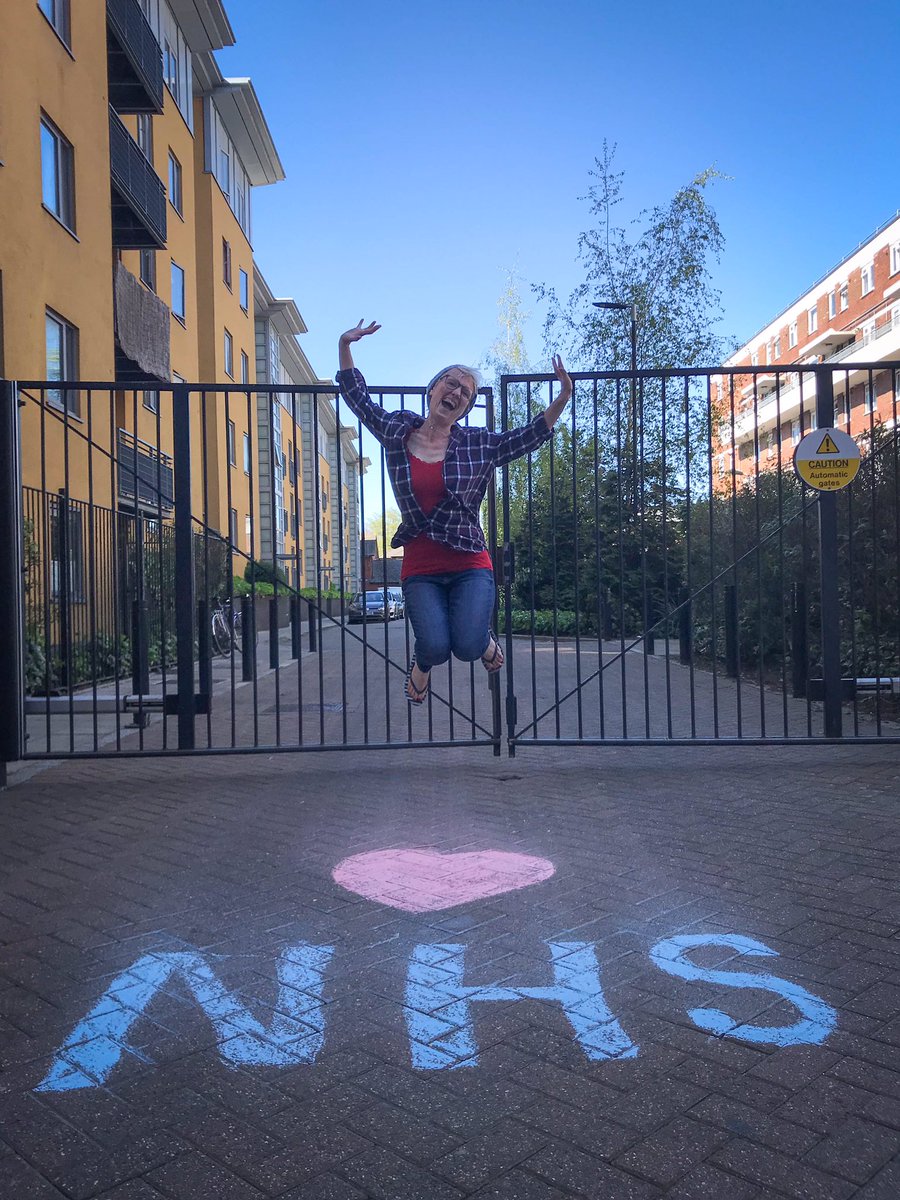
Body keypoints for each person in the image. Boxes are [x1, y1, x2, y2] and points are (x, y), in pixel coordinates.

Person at [337, 321, 573, 704]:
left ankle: (482, 642)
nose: (457, 392)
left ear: (466, 407)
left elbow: (526, 437)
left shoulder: (477, 445)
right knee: (433, 647)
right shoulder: (397, 429)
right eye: (451, 383)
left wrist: (562, 398)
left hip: (469, 564)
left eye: (466, 392)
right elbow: (358, 398)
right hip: (421, 569)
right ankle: (421, 666)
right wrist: (345, 345)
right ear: (433, 389)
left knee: (466, 644)